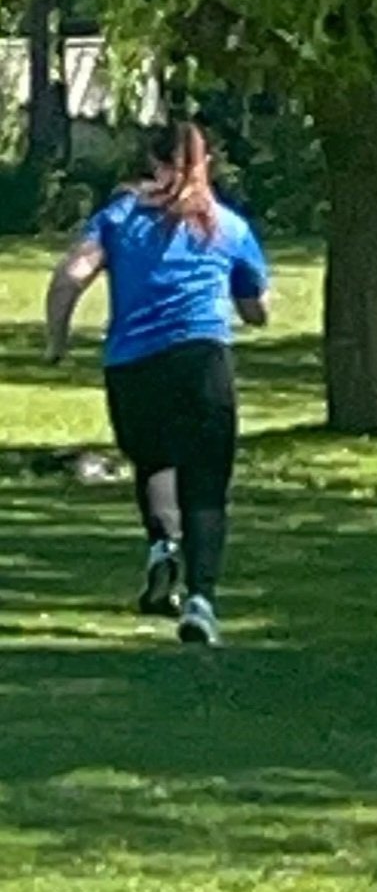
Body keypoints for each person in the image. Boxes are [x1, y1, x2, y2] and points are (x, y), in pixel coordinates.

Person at [43, 122, 270, 646]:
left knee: (154, 458)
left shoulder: (120, 218)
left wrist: (58, 341)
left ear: (152, 161)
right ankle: (201, 600)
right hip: (202, 358)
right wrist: (251, 304)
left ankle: (162, 547)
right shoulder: (227, 226)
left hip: (133, 364)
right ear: (205, 163)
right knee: (207, 483)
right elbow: (255, 307)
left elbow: (71, 274)